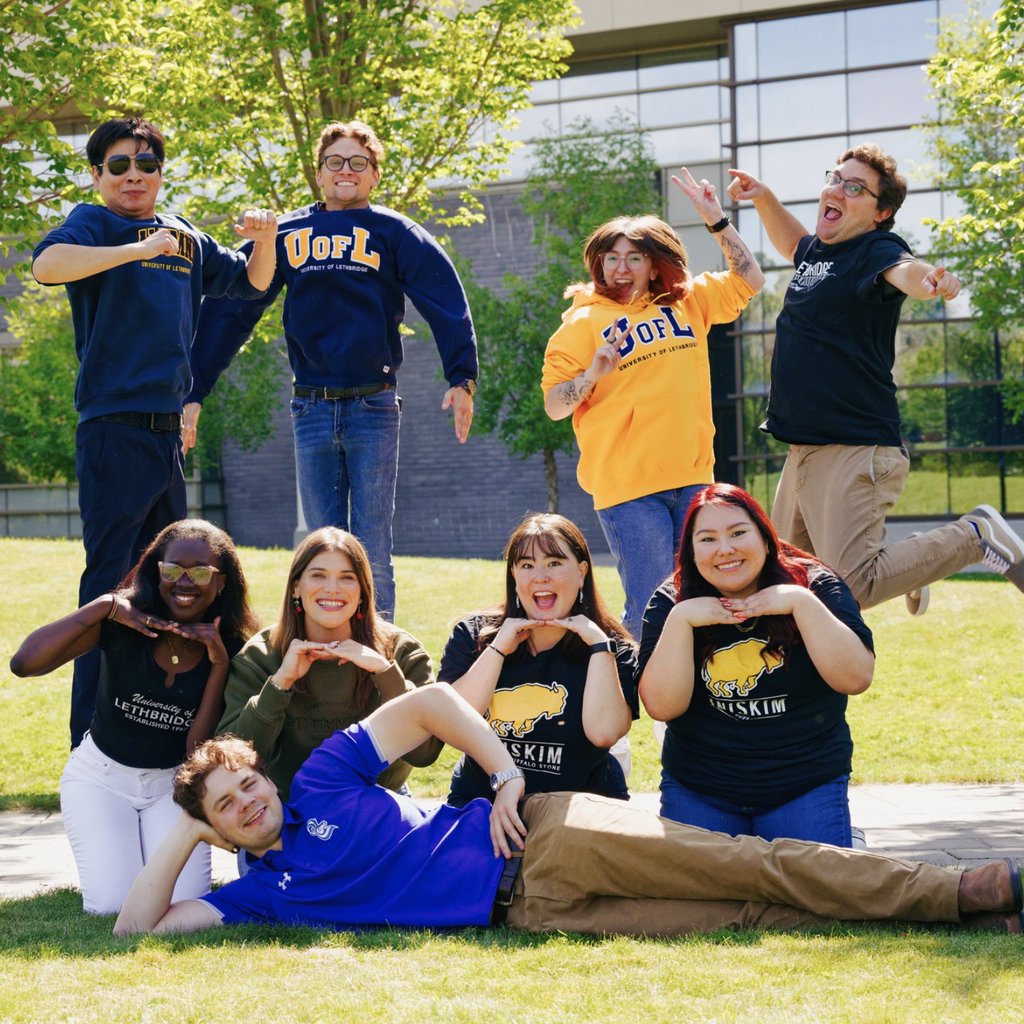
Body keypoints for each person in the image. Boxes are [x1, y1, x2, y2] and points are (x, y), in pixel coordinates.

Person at [113, 684, 1023, 937]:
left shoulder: (317, 779)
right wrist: (183, 826)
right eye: (229, 809)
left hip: (548, 839)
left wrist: (504, 772)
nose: (249, 802)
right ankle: (972, 915)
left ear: (267, 776)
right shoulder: (261, 893)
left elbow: (431, 702)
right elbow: (135, 930)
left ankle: (966, 890)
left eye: (245, 784)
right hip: (535, 915)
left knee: (752, 863)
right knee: (739, 914)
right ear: (224, 831)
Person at [31, 116, 277, 748]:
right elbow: (47, 266)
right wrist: (136, 250)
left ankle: (163, 731)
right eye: (118, 165)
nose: (133, 175)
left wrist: (267, 237)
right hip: (113, 429)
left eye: (146, 165)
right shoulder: (96, 223)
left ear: (161, 174)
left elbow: (252, 280)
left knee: (176, 586)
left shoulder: (186, 237)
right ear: (98, 174)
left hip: (169, 438)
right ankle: (86, 739)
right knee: (109, 587)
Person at [187, 120, 479, 621]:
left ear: (374, 176)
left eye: (358, 163)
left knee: (371, 549)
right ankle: (319, 653)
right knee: (320, 553)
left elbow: (444, 296)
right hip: (312, 407)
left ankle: (381, 658)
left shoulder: (394, 232)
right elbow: (233, 309)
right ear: (319, 175)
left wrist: (462, 376)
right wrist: (194, 387)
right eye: (335, 162)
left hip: (374, 405)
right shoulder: (288, 233)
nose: (346, 171)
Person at [728, 143, 1024, 616]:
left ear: (879, 213)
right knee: (789, 581)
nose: (837, 190)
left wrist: (930, 281)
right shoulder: (818, 254)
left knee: (853, 587)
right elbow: (793, 244)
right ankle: (909, 567)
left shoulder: (875, 249)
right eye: (835, 179)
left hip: (854, 445)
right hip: (802, 449)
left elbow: (904, 270)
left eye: (854, 188)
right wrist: (765, 199)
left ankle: (977, 534)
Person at [542, 168, 765, 640]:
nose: (621, 268)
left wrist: (715, 219)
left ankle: (702, 706)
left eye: (635, 257)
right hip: (628, 490)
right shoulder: (580, 324)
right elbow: (555, 405)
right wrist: (591, 376)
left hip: (693, 479)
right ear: (598, 264)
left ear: (654, 263)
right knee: (652, 606)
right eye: (611, 257)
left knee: (707, 599)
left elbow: (750, 279)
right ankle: (651, 706)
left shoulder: (687, 303)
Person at [10, 519, 258, 914]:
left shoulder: (233, 646)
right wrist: (102, 607)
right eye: (172, 569)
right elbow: (25, 664)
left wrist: (219, 665)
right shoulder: (125, 621)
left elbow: (196, 749)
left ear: (222, 581)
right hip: (100, 781)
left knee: (182, 904)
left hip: (173, 788)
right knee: (112, 906)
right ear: (157, 570)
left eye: (200, 572)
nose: (184, 582)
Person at [637, 484, 874, 846]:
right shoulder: (672, 601)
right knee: (703, 902)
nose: (725, 549)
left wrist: (801, 603)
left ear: (765, 537)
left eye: (738, 533)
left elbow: (856, 677)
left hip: (803, 783)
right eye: (707, 539)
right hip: (701, 787)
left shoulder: (816, 585)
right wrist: (681, 620)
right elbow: (662, 707)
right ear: (691, 551)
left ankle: (842, 840)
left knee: (811, 899)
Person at [217, 527, 441, 802]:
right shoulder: (260, 656)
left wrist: (385, 674)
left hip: (379, 809)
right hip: (285, 810)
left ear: (362, 592)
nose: (332, 588)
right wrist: (280, 683)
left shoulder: (403, 652)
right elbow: (230, 760)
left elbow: (424, 754)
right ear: (296, 586)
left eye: (347, 578)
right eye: (318, 575)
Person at [438, 513, 637, 805]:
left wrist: (598, 647)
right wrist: (497, 651)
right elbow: (452, 723)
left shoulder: (611, 647)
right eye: (527, 565)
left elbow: (603, 733)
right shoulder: (473, 635)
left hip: (579, 806)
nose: (540, 576)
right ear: (514, 576)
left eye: (554, 563)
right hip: (483, 800)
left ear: (581, 572)